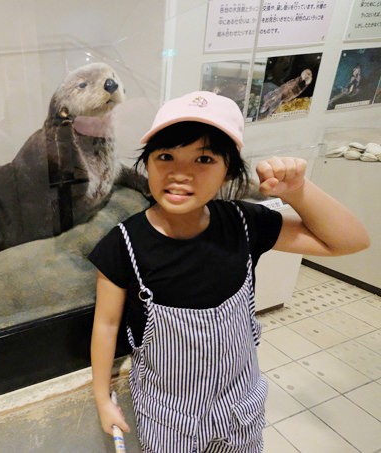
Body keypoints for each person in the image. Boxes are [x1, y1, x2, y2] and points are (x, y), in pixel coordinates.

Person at [89, 91, 369, 452]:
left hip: (241, 407)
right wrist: (102, 399)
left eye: (204, 158)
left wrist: (298, 191)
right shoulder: (122, 244)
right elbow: (106, 325)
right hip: (170, 417)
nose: (180, 173)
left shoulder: (243, 222)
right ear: (147, 164)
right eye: (165, 156)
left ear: (229, 171)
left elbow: (349, 241)